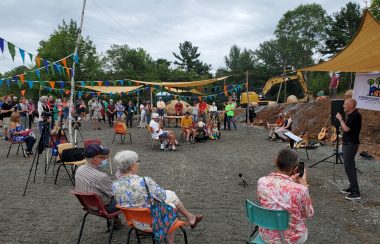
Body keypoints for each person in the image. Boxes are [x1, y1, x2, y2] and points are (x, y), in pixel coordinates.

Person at [112, 150, 203, 244]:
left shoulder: (115, 185)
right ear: (131, 166)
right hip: (152, 222)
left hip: (135, 222)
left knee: (169, 201)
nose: (138, 163)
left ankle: (191, 218)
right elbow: (162, 196)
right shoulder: (144, 181)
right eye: (137, 162)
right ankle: (188, 221)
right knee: (171, 202)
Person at [257, 148, 314, 244]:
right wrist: (304, 185)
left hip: (267, 235)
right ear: (296, 169)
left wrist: (289, 181)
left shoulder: (262, 182)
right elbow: (309, 214)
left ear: (275, 161)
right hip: (291, 239)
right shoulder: (300, 190)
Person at [75, 143, 123, 227]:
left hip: (89, 205)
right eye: (104, 157)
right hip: (104, 208)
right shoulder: (101, 176)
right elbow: (114, 194)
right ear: (95, 159)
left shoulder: (79, 169)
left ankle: (116, 221)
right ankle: (141, 225)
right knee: (136, 194)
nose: (107, 159)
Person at [336, 98, 362, 200]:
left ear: (351, 105)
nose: (343, 106)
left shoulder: (356, 115)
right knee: (351, 167)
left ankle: (356, 193)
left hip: (351, 144)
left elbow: (346, 128)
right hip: (348, 143)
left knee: (349, 167)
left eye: (345, 104)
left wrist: (340, 119)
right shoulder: (352, 115)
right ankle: (352, 187)